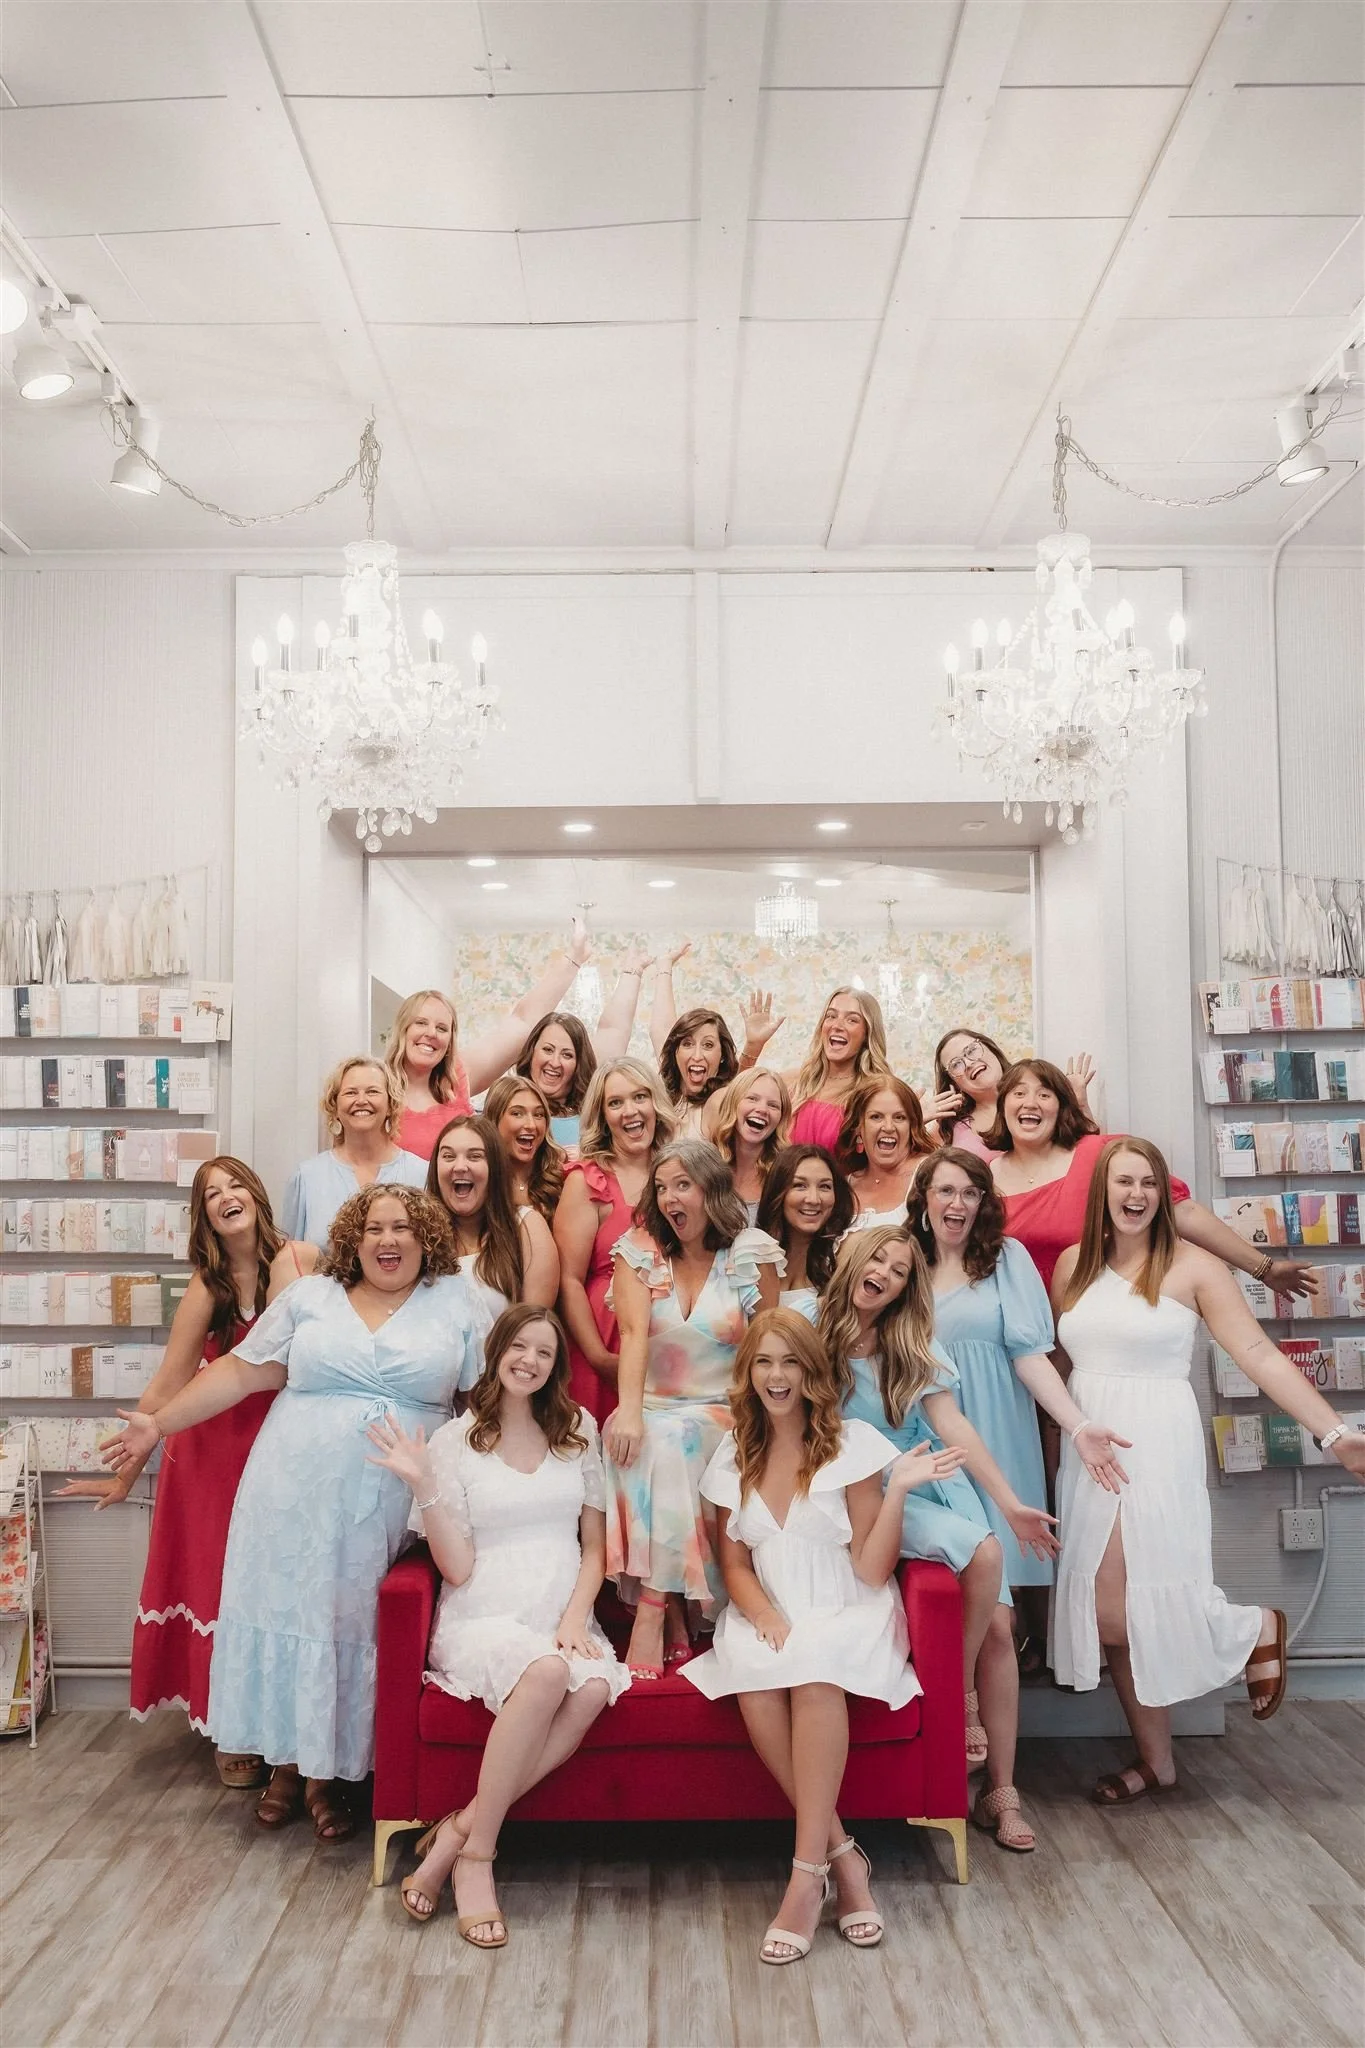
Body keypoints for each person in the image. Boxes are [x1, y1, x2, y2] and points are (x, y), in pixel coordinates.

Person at [100, 1186, 480, 1841]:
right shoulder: (310, 1298)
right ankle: (284, 1763)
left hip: (390, 1503)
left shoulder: (456, 1302)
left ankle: (331, 1776)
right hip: (288, 1492)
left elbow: (480, 1401)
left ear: (426, 1240)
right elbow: (240, 1373)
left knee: (351, 1623)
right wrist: (157, 1425)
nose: (388, 1240)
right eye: (374, 1229)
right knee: (288, 1615)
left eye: (402, 1228)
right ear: (353, 1240)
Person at [1052, 1139, 1365, 1806]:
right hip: (1086, 1449)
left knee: (1131, 1605)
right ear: (1101, 1191)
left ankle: (1251, 1629)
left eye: (1148, 1182)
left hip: (1154, 1445)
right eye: (1123, 1181)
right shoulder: (1072, 1264)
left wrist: (1336, 1434)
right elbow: (1056, 1366)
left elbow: (1258, 1354)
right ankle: (1157, 1762)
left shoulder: (1193, 1266)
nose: (1136, 1194)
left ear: (1164, 1195)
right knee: (1113, 1616)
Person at [365, 1306, 630, 1944]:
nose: (529, 1361)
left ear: (555, 1366)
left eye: (544, 1352)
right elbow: (456, 1569)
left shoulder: (578, 1429)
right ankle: (478, 1858)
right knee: (546, 1674)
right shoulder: (456, 1440)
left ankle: (456, 1830)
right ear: (497, 1352)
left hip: (559, 1615)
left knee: (593, 1686)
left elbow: (595, 1548)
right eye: (519, 1347)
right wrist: (424, 1485)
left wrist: (576, 1618)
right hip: (484, 1614)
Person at [57, 1158, 309, 1788]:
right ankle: (227, 1725)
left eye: (235, 1184)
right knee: (217, 1583)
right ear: (205, 1218)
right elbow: (168, 1383)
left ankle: (285, 1724)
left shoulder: (307, 1261)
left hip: (286, 1446)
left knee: (279, 1581)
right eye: (211, 1194)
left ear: (257, 1194)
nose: (226, 1197)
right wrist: (126, 1473)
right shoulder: (207, 1286)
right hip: (209, 1453)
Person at [682, 1308, 920, 1964]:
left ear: (812, 1370)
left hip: (846, 1605)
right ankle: (843, 1859)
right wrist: (764, 1616)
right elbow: (733, 1564)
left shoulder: (853, 1445)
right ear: (748, 1372)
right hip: (768, 1608)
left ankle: (803, 1878)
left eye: (789, 1361)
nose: (776, 1375)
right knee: (758, 1685)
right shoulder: (734, 1452)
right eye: (763, 1361)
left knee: (813, 1674)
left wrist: (898, 1492)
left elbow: (872, 1568)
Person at [907, 1147, 1131, 1819]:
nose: (956, 1203)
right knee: (955, 1615)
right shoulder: (900, 1259)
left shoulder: (1004, 1259)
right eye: (945, 1190)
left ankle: (1000, 1785)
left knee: (999, 1624)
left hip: (999, 1445)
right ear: (923, 1198)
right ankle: (955, 1761)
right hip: (927, 1450)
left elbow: (1031, 1357)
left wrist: (1076, 1423)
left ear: (983, 1202)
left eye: (969, 1192)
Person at [821, 1227, 1059, 1849]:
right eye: (878, 1259)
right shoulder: (809, 1328)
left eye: (900, 1270)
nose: (885, 1273)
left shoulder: (910, 1343)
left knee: (1000, 1625)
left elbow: (953, 1425)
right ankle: (962, 1699)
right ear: (854, 1259)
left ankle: (999, 1788)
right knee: (982, 1569)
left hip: (934, 1485)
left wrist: (1009, 1504)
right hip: (867, 1492)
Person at [604, 1139, 784, 1675]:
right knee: (658, 1438)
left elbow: (769, 1346)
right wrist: (629, 1412)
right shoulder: (639, 1252)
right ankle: (668, 1606)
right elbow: (632, 1336)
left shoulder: (749, 1253)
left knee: (678, 1440)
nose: (669, 1199)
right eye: (661, 1188)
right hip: (649, 1406)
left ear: (712, 1190)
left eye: (682, 1185)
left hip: (724, 1412)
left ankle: (654, 1609)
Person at [990, 1058, 1319, 1298]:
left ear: (1061, 1107)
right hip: (1013, 1326)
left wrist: (1263, 1268)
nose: (1030, 1103)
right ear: (1002, 1106)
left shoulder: (1098, 1153)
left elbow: (1183, 1211)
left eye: (1044, 1094)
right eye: (1019, 1093)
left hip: (1091, 1319)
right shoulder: (984, 1176)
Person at [382, 920, 599, 1161]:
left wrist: (574, 958)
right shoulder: (378, 1087)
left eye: (442, 1028)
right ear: (403, 1029)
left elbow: (522, 1021)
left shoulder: (457, 1078)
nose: (431, 1033)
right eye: (421, 1023)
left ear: (450, 1041)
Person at [551, 1058, 676, 1422]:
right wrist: (599, 1357)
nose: (630, 1111)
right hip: (604, 1341)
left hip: (668, 1343)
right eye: (616, 1102)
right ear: (603, 1116)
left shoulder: (680, 1173)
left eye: (640, 1097)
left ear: (655, 1103)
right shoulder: (587, 1181)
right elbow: (569, 1280)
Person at [426, 1115, 558, 1364]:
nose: (460, 1166)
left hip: (501, 1378)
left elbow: (533, 1331)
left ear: (495, 1167)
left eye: (475, 1156)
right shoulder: (418, 1234)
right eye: (448, 1156)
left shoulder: (526, 1226)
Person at [511, 953, 655, 1153]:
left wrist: (633, 972)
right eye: (548, 1050)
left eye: (567, 1055)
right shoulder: (508, 1105)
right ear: (531, 1052)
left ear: (578, 1064)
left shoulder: (592, 1111)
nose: (555, 1062)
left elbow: (613, 1030)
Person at [280, 1055, 426, 1248]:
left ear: (391, 1104)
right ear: (334, 1106)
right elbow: (291, 1257)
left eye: (372, 1092)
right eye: (350, 1093)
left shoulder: (422, 1174)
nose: (361, 1100)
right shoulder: (307, 1178)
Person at [748, 987, 892, 1152]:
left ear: (867, 1033)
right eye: (831, 1016)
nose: (837, 1025)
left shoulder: (876, 1092)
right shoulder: (792, 1082)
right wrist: (753, 1046)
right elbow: (732, 1104)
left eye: (852, 1020)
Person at [930, 1029, 1096, 1158]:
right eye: (956, 1064)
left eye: (971, 1050)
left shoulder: (1040, 1099)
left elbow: (1089, 1155)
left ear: (991, 1048)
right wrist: (918, 1119)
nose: (968, 1063)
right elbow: (921, 1170)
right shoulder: (949, 1124)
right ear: (953, 1082)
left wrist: (1078, 1103)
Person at [756, 1143, 856, 1323]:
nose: (814, 1199)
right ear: (778, 1191)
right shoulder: (750, 1262)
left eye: (824, 1187)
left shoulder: (842, 1269)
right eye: (800, 1185)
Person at [838, 1075, 939, 1229]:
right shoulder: (844, 1186)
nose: (889, 1127)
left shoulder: (931, 1175)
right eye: (876, 1117)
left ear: (912, 1126)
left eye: (899, 1117)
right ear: (858, 1126)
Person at [707, 1067, 792, 1219]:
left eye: (773, 1105)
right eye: (752, 1098)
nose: (762, 1109)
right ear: (733, 1103)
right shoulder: (704, 1165)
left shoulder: (786, 1174)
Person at [483, 1072, 566, 1223]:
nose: (531, 1125)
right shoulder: (479, 1179)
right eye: (517, 1113)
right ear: (494, 1119)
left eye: (538, 1115)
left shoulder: (562, 1178)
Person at [656, 1005, 740, 1139]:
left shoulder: (721, 1103)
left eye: (708, 1045)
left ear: (723, 1055)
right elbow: (658, 1029)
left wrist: (753, 1046)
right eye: (687, 1044)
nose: (697, 1056)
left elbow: (737, 1093)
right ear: (675, 1052)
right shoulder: (660, 1101)